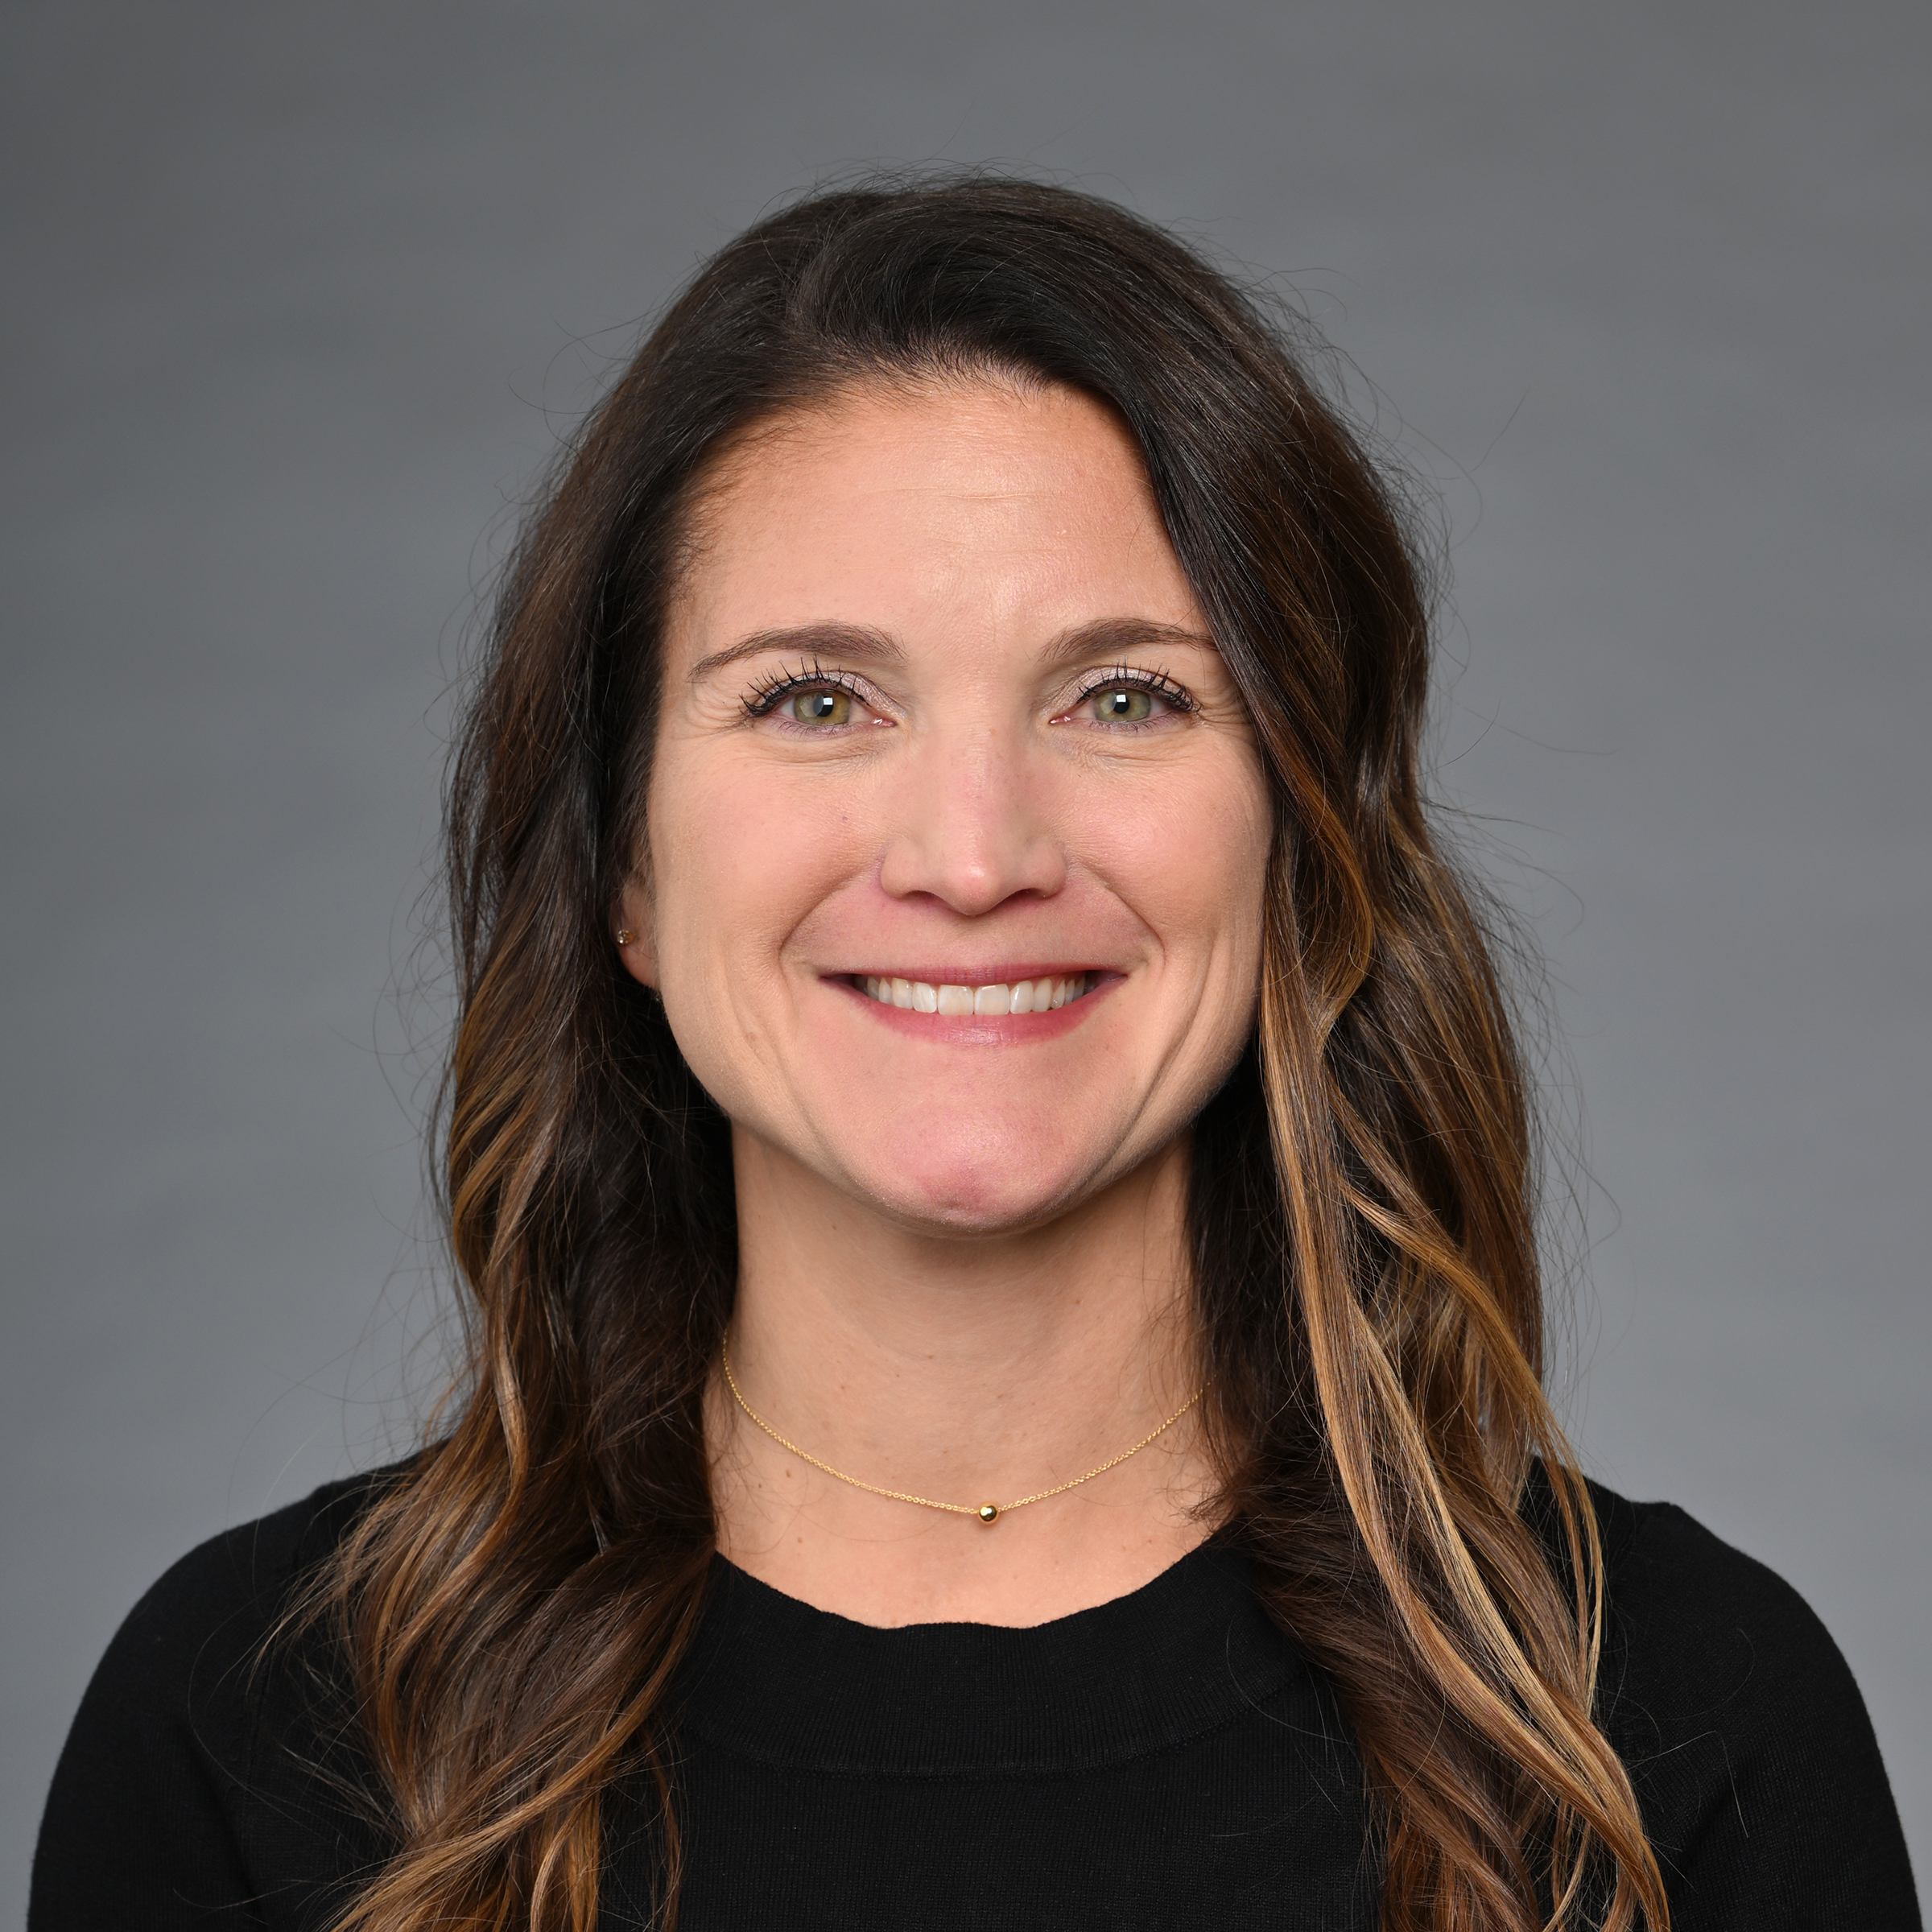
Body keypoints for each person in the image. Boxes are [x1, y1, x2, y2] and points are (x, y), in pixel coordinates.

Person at [30, 176, 1919, 1932]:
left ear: (1301, 847)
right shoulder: (256, 1737)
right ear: (622, 862)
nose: (973, 856)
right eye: (817, 700)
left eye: (1125, 696)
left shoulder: (1670, 1729)